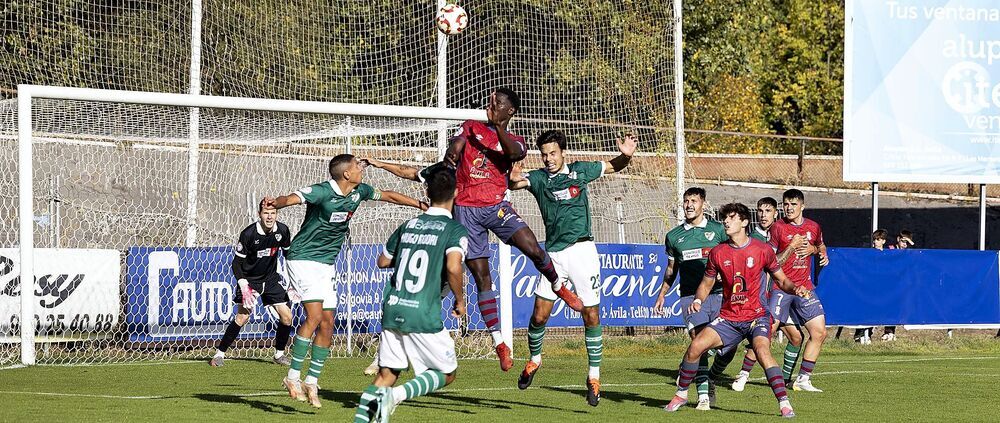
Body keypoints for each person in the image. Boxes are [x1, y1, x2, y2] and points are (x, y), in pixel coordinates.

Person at [372, 87, 584, 372]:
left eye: (497, 103)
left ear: (509, 111)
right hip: (467, 212)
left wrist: (497, 126)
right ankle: (499, 342)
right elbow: (458, 142)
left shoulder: (516, 141)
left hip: (496, 206)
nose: (490, 104)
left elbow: (513, 153)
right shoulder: (471, 126)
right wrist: (454, 150)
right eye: (490, 101)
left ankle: (558, 287)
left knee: (533, 248)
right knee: (482, 278)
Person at [267, 154, 424, 408]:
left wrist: (419, 204)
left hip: (326, 263)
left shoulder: (359, 191)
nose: (361, 169)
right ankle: (292, 376)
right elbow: (292, 198)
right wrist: (276, 202)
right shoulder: (322, 192)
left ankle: (312, 380)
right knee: (315, 317)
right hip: (303, 258)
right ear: (346, 174)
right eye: (356, 167)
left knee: (328, 323)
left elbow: (389, 195)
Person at [506, 129, 636, 406]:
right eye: (544, 154)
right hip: (553, 255)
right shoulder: (540, 178)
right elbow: (515, 184)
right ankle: (535, 360)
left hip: (582, 251)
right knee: (539, 316)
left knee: (590, 314)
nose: (548, 158)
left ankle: (593, 376)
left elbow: (614, 165)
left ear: (562, 152)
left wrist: (626, 155)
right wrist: (512, 177)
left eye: (552, 153)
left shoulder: (581, 171)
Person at [663, 203, 806, 418]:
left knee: (762, 351)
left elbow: (782, 280)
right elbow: (706, 283)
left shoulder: (762, 249)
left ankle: (784, 403)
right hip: (729, 318)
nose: (726, 222)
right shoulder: (718, 252)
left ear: (745, 222)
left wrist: (796, 288)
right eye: (724, 219)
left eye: (731, 218)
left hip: (757, 316)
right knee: (695, 347)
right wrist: (699, 300)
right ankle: (681, 394)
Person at [353, 168, 468, 423]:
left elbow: (383, 261)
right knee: (447, 373)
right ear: (456, 194)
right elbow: (453, 266)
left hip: (394, 307)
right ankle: (398, 396)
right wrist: (460, 300)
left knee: (386, 374)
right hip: (422, 312)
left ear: (427, 192)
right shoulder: (454, 231)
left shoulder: (409, 225)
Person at [653, 187, 730, 410]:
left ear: (703, 204)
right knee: (699, 343)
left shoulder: (718, 231)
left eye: (693, 201)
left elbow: (730, 259)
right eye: (686, 201)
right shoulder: (674, 236)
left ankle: (695, 369)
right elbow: (671, 270)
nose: (688, 205)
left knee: (727, 348)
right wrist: (662, 295)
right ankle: (703, 396)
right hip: (689, 297)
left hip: (718, 295)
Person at [731, 197, 806, 391]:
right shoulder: (751, 239)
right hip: (760, 299)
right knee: (764, 336)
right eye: (760, 211)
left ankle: (786, 378)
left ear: (776, 213)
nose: (763, 215)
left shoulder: (782, 232)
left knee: (796, 338)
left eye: (768, 211)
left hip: (780, 293)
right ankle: (743, 374)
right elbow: (775, 261)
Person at [209, 199, 293, 367]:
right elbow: (236, 263)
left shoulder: (282, 230)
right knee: (243, 317)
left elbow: (289, 255)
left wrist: (293, 282)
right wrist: (243, 286)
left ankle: (278, 355)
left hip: (270, 279)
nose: (269, 217)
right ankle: (219, 354)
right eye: (266, 213)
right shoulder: (248, 234)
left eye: (273, 213)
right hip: (250, 281)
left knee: (287, 317)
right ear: (259, 214)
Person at [769, 189, 829, 393]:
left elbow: (821, 245)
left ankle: (803, 379)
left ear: (802, 206)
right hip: (781, 287)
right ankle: (742, 374)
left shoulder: (814, 226)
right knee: (766, 332)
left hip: (804, 288)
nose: (789, 208)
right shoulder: (778, 228)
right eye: (786, 204)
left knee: (819, 332)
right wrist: (792, 247)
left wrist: (818, 251)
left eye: (793, 204)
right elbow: (772, 261)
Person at [854, 229, 888, 344]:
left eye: (878, 240)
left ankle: (887, 333)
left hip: (882, 288)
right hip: (870, 288)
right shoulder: (868, 254)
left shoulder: (888, 255)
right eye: (874, 239)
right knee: (866, 310)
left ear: (883, 241)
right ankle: (861, 334)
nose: (875, 242)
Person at [882, 229, 914, 341]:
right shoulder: (890, 249)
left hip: (901, 285)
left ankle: (890, 331)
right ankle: (866, 333)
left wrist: (911, 243)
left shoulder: (909, 253)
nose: (905, 244)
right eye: (903, 241)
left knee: (895, 308)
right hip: (888, 284)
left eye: (907, 242)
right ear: (898, 240)